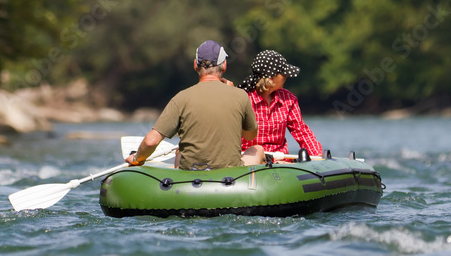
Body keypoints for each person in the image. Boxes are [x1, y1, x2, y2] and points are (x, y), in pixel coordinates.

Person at [126, 40, 265, 170]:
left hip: (192, 174)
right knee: (258, 149)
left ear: (195, 65)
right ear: (224, 65)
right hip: (230, 175)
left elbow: (151, 142)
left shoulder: (181, 98)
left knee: (180, 149)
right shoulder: (240, 95)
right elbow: (250, 136)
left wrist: (137, 158)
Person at [238, 50, 323, 159]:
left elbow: (301, 131)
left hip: (280, 161)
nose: (286, 76)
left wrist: (317, 154)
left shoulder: (288, 99)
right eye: (282, 73)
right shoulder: (242, 99)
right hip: (249, 159)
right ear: (270, 78)